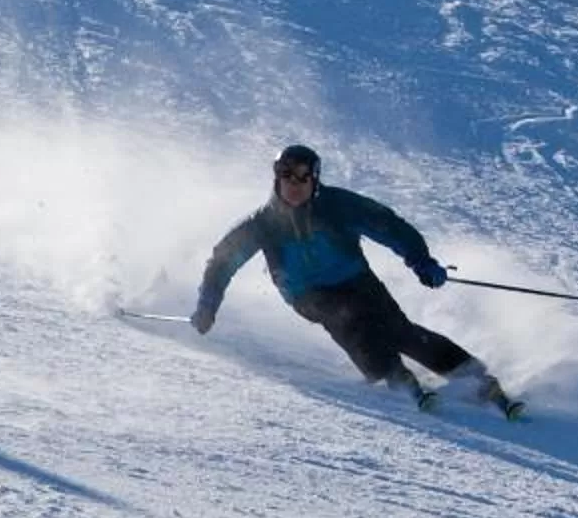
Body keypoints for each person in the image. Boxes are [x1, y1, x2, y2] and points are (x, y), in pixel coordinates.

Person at [190, 144, 519, 414]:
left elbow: (389, 226)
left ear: (315, 179)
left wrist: (421, 261)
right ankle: (394, 375)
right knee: (349, 325)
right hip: (308, 294)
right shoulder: (262, 224)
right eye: (286, 176)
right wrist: (207, 305)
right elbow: (222, 262)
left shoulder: (337, 206)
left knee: (398, 329)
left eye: (303, 177)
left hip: (356, 280)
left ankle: (469, 374)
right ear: (276, 179)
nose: (294, 185)